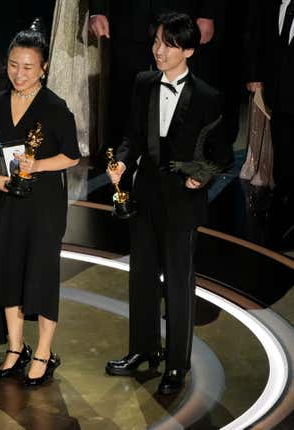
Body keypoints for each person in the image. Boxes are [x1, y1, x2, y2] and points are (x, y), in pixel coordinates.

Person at [104, 12, 226, 395]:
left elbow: (220, 152)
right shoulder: (142, 83)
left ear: (188, 50)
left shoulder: (209, 97)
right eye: (156, 41)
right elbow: (133, 136)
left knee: (177, 283)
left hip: (183, 200)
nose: (158, 50)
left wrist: (202, 174)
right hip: (144, 192)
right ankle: (142, 350)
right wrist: (122, 160)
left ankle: (176, 365)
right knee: (140, 275)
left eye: (168, 45)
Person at [0, 25, 81, 387]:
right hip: (4, 201)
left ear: (43, 68)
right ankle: (15, 347)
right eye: (14, 65)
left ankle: (43, 351)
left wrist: (39, 165)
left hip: (43, 204)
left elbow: (72, 157)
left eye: (28, 67)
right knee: (8, 271)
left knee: (41, 276)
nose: (19, 73)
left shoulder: (55, 107)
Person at [88, 0, 222, 154]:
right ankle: (118, 155)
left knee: (183, 90)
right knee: (123, 91)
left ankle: (183, 156)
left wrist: (207, 13)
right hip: (129, 15)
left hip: (182, 14)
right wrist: (97, 11)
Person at [245, 0, 294, 249]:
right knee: (283, 158)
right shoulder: (269, 4)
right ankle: (282, 214)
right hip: (279, 98)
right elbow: (257, 36)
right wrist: (254, 75)